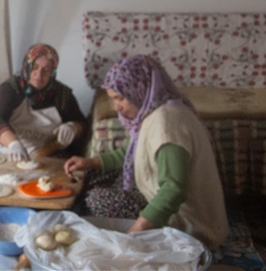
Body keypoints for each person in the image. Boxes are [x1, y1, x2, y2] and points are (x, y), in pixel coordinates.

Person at [63, 54, 230, 249]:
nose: (117, 107)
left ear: (139, 89)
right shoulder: (150, 112)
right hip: (159, 192)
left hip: (187, 219)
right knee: (91, 177)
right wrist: (89, 162)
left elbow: (173, 190)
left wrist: (135, 232)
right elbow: (129, 153)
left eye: (120, 98)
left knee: (97, 200)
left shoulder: (167, 126)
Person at [0, 44, 88, 161]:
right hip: (1, 146)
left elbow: (83, 123)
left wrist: (73, 127)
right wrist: (13, 144)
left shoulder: (63, 95)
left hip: (40, 150)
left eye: (46, 70)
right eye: (35, 67)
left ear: (53, 72)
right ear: (27, 66)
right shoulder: (10, 88)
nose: (39, 74)